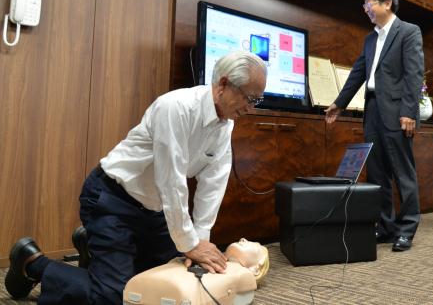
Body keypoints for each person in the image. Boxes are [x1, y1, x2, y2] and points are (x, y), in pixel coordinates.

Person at [5, 51, 268, 304]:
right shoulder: (176, 107)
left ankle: (93, 246)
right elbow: (171, 180)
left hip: (154, 213)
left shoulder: (226, 125)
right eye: (249, 98)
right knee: (118, 295)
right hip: (111, 200)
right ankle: (32, 263)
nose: (251, 108)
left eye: (257, 101)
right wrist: (189, 243)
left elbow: (212, 186)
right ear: (223, 84)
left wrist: (200, 242)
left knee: (162, 282)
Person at [325, 0, 424, 252]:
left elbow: (414, 76)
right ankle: (386, 226)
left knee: (403, 172)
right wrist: (339, 103)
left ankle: (407, 229)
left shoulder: (409, 32)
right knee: (377, 173)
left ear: (387, 3)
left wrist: (408, 112)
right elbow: (359, 72)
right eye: (365, 3)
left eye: (369, 2)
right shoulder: (370, 38)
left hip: (397, 112)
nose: (365, 8)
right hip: (373, 112)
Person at [122, 238, 269, 305]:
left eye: (253, 244)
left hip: (176, 292)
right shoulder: (211, 258)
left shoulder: (241, 274)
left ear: (255, 269)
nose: (243, 238)